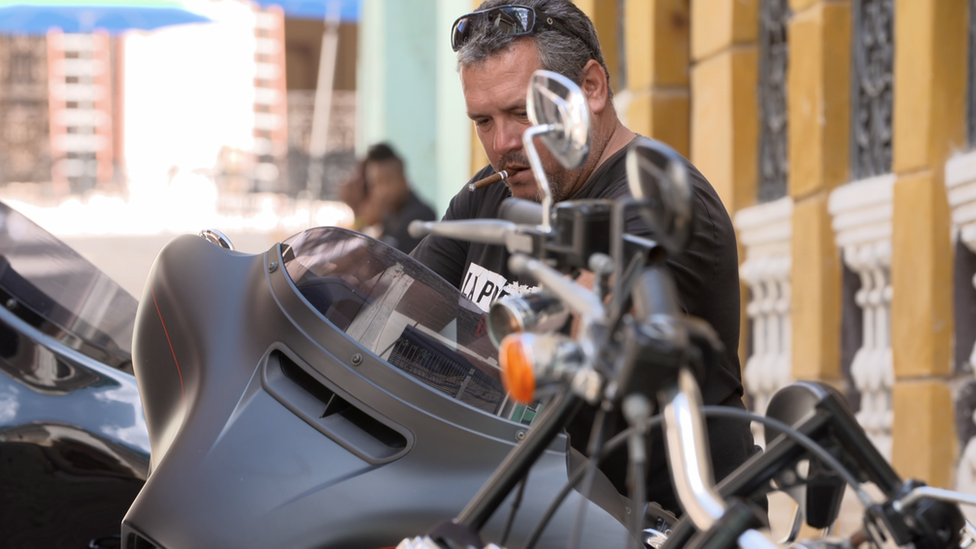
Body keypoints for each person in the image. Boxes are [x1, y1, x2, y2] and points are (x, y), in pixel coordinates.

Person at [410, 0, 759, 517]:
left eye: (522, 113)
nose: (503, 143)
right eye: (483, 120)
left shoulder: (654, 198)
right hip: (535, 508)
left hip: (669, 520)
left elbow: (591, 323)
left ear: (591, 88)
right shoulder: (491, 192)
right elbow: (400, 303)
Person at [338, 142, 436, 254]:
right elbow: (360, 229)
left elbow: (375, 260)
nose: (381, 192)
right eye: (374, 184)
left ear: (404, 179)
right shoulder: (389, 215)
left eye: (387, 181)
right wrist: (359, 216)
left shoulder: (420, 215)